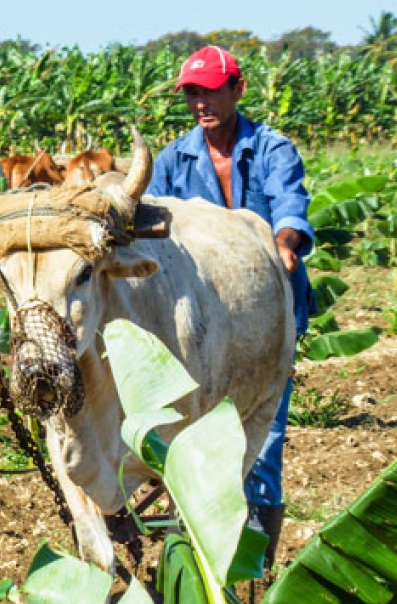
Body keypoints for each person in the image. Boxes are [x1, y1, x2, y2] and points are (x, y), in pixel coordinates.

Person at [147, 46, 315, 571]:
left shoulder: (270, 149)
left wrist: (284, 243)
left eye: (211, 91)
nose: (201, 104)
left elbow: (289, 205)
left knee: (260, 445)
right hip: (193, 325)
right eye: (193, 94)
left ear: (237, 89)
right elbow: (150, 219)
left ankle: (253, 573)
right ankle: (193, 564)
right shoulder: (174, 158)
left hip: (263, 316)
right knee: (185, 440)